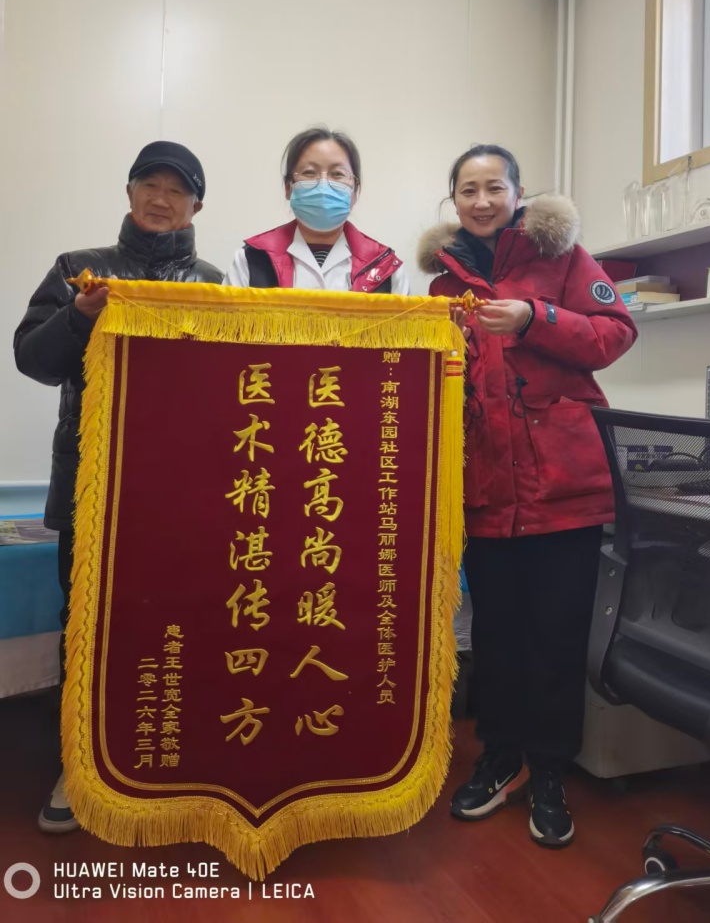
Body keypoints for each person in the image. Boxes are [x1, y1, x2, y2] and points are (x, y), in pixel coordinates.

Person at [418, 144, 637, 848]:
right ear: (454, 200)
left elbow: (615, 333)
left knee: (556, 638)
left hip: (564, 489)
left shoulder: (563, 258)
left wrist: (535, 317)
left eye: (494, 187)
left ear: (518, 194)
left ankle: (549, 771)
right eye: (468, 189)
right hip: (485, 490)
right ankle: (499, 757)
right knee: (498, 637)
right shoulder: (442, 287)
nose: (482, 201)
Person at [14, 141, 223, 834]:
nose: (161, 198)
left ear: (196, 205)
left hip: (181, 493)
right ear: (129, 193)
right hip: (90, 483)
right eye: (148, 184)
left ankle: (168, 757)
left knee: (180, 620)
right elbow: (31, 359)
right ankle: (80, 764)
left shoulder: (215, 283)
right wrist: (79, 316)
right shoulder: (79, 269)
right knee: (89, 623)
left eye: (176, 189)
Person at [224, 127, 410, 293]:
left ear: (354, 192)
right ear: (289, 187)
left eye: (337, 174)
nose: (323, 185)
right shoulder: (252, 259)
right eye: (309, 173)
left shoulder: (386, 269)